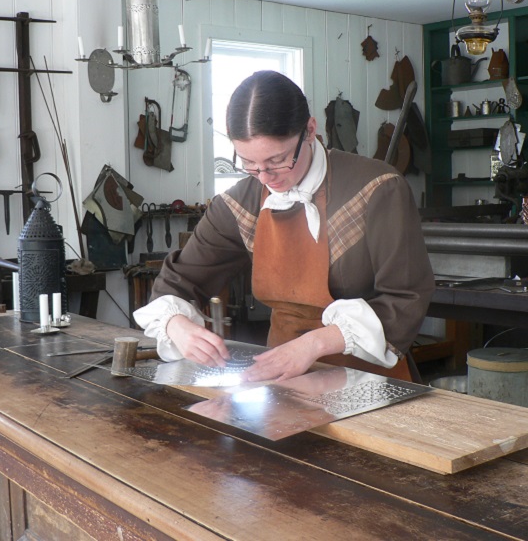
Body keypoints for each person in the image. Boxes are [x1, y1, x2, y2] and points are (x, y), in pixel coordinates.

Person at [134, 70, 434, 383]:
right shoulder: (239, 204)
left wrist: (314, 344)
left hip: (368, 379)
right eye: (249, 164)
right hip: (281, 380)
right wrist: (177, 327)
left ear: (309, 131)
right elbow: (177, 282)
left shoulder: (377, 189)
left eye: (277, 160)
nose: (265, 177)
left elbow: (406, 299)